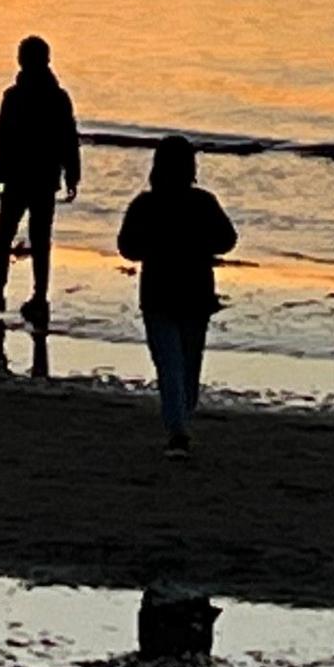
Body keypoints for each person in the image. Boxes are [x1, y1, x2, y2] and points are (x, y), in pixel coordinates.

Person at [117, 134, 237, 455]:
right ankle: (179, 425)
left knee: (170, 364)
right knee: (187, 362)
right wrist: (199, 245)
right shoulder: (202, 202)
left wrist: (153, 247)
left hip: (159, 292)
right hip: (195, 292)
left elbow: (126, 247)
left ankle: (178, 425)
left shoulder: (145, 204)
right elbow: (228, 240)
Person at [0, 36, 83, 323]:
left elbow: (6, 138)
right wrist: (72, 173)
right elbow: (68, 140)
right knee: (36, 239)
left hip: (24, 176)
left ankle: (6, 293)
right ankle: (32, 296)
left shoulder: (17, 96)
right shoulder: (54, 97)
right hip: (40, 177)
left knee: (8, 236)